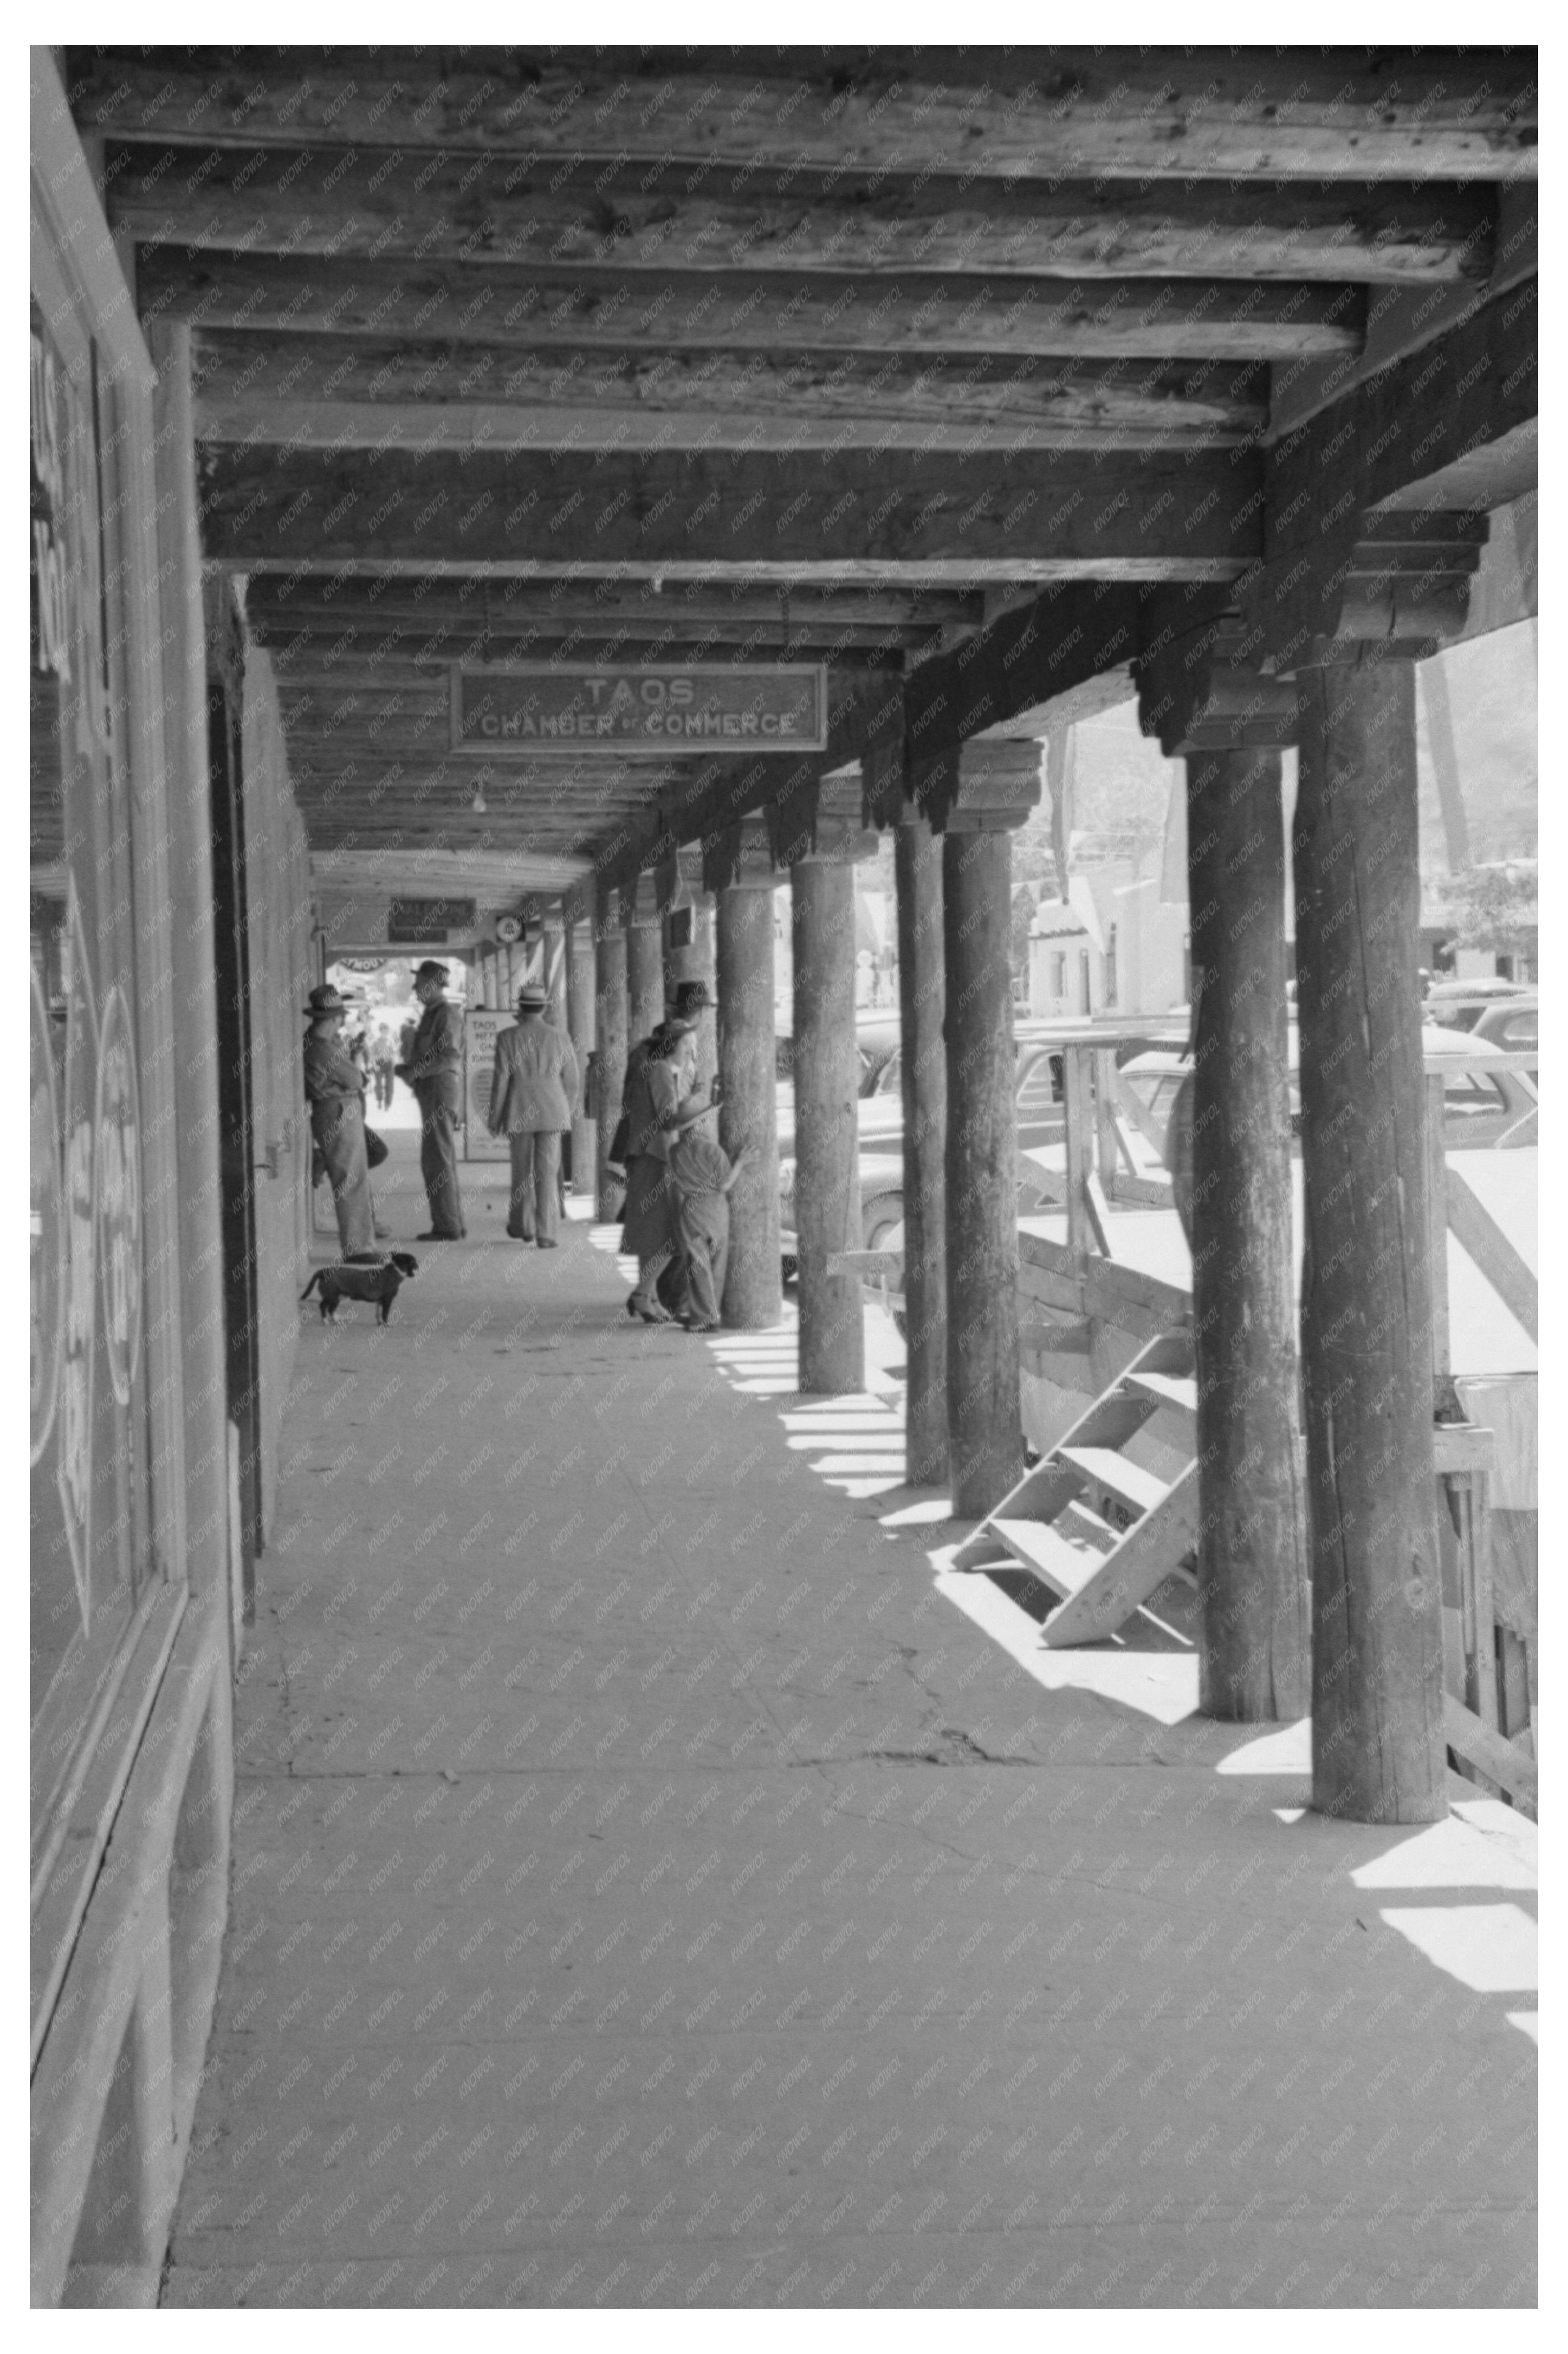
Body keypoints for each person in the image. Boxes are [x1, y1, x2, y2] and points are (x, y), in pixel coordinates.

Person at [487, 982, 579, 1246]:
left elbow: (501, 1081)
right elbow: (572, 1082)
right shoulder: (560, 1037)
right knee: (548, 1173)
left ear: (521, 1008)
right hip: (553, 1112)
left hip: (520, 1111)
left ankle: (524, 1226)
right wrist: (566, 1112)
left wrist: (495, 1117)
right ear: (543, 1008)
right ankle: (547, 1233)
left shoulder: (507, 1037)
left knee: (521, 1172)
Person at [619, 1017, 695, 1322]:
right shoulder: (661, 1070)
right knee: (672, 1235)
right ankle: (641, 1295)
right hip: (655, 1156)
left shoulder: (651, 1067)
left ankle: (650, 1298)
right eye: (687, 1045)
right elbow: (668, 1119)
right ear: (672, 1046)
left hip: (646, 1155)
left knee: (654, 1234)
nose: (690, 1051)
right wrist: (699, 1110)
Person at [302, 983, 375, 1256]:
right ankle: (358, 1249)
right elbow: (356, 1078)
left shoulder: (320, 1044)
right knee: (351, 1178)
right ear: (333, 1019)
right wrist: (354, 1069)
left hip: (336, 1108)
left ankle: (362, 1242)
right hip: (338, 1111)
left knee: (353, 1175)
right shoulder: (322, 1049)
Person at [396, 959, 466, 1240]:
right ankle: (450, 1222)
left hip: (440, 1087)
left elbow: (449, 1056)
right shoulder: (431, 1013)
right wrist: (409, 1068)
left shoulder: (446, 1013)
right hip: (431, 1088)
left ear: (434, 984)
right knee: (437, 1157)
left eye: (420, 982)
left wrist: (416, 1071)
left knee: (438, 1157)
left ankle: (448, 1226)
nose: (415, 987)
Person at [668, 1087, 746, 1333]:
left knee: (697, 1264)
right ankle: (711, 1315)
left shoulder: (675, 1151)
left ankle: (703, 1316)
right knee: (717, 1264)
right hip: (715, 1208)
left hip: (691, 1209)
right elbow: (724, 1184)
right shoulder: (713, 1151)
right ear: (702, 1121)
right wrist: (741, 1163)